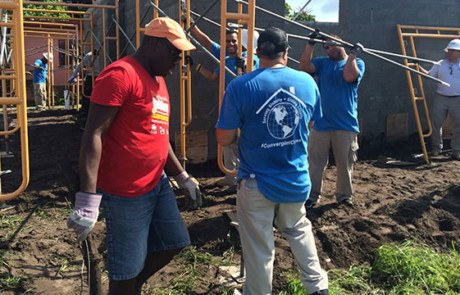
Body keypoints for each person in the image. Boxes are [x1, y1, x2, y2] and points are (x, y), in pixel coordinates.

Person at [67, 17, 201, 295]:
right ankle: (125, 287)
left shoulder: (159, 82)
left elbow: (158, 136)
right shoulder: (120, 75)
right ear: (153, 43)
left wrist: (182, 175)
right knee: (125, 269)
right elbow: (93, 134)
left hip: (157, 183)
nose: (177, 62)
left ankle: (131, 287)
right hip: (125, 193)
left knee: (175, 241)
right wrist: (88, 199)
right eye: (174, 53)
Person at [216, 27, 329, 295]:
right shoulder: (307, 83)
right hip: (295, 180)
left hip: (256, 183)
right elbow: (311, 122)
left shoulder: (241, 86)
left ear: (257, 53)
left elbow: (223, 137)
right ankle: (318, 288)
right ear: (286, 53)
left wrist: (240, 137)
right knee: (298, 229)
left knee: (259, 248)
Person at [299, 33, 365, 208]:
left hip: (346, 124)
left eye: (331, 45)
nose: (328, 49)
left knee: (345, 163)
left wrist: (352, 55)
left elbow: (349, 77)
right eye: (325, 47)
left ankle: (344, 195)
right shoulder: (322, 63)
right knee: (315, 163)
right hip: (321, 123)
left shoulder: (357, 63)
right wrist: (310, 44)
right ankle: (312, 195)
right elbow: (305, 67)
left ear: (341, 43)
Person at [190, 25, 260, 187]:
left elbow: (255, 69)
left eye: (234, 41)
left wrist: (246, 66)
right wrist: (192, 26)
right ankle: (231, 177)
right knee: (228, 143)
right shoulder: (225, 59)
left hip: (248, 109)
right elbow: (207, 45)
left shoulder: (250, 57)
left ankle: (246, 179)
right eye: (227, 41)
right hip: (231, 108)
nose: (231, 44)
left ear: (240, 42)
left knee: (245, 143)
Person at [419, 39, 460, 160]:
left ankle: (457, 150)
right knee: (436, 124)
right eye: (449, 50)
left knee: (459, 125)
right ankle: (436, 149)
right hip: (441, 97)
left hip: (457, 98)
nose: (450, 52)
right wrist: (418, 67)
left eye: (453, 50)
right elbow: (429, 75)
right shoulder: (440, 64)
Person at [68, 49, 100, 127]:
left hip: (100, 76)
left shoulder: (103, 55)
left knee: (96, 98)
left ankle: (91, 117)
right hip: (91, 77)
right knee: (87, 98)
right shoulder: (88, 56)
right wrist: (73, 75)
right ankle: (84, 119)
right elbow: (80, 65)